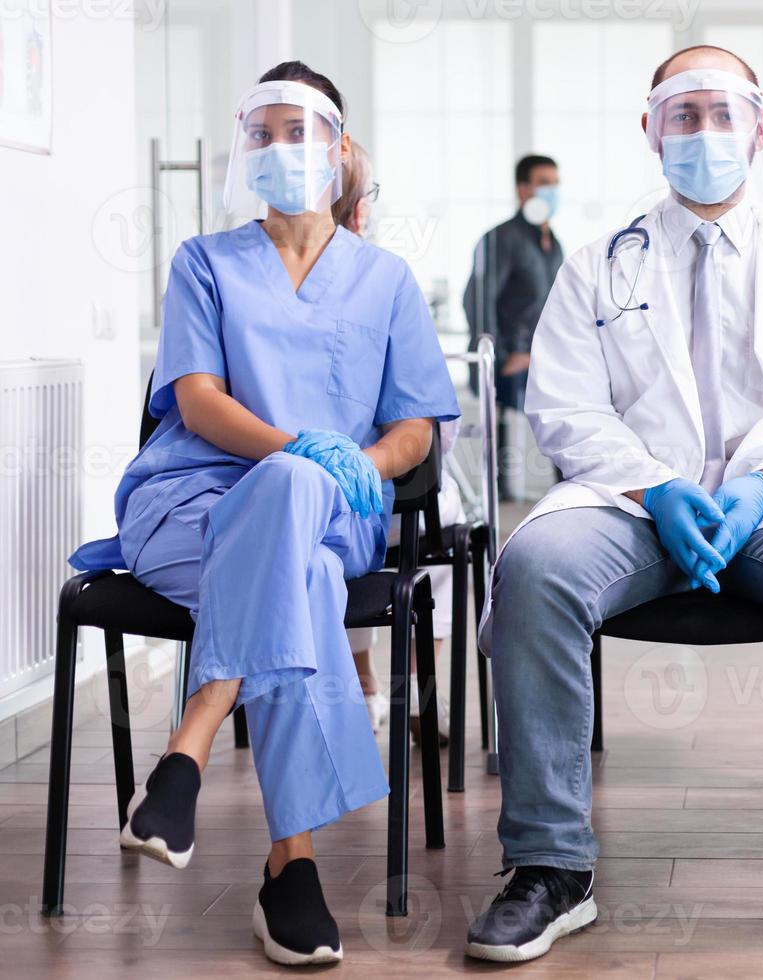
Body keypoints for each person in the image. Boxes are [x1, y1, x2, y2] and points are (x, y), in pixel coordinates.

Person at [466, 45, 763, 963]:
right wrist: (656, 485)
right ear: (650, 130)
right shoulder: (598, 265)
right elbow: (563, 405)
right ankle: (552, 867)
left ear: (761, 128)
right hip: (630, 508)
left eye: (724, 113)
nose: (705, 133)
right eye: (684, 114)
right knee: (536, 568)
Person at [68, 61, 459, 966]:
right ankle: (293, 869)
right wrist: (301, 451)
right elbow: (197, 402)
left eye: (299, 131)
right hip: (192, 506)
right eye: (262, 134)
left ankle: (190, 747)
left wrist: (350, 463)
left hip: (330, 504)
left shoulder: (386, 280)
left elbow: (414, 431)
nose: (280, 150)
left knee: (298, 514)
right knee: (305, 569)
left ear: (339, 148)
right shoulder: (204, 262)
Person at [332, 141, 460, 739]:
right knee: (429, 537)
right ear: (359, 212)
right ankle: (416, 699)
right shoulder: (387, 284)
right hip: (383, 499)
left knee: (342, 551)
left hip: (291, 495)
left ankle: (363, 689)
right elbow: (432, 431)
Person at [463, 154, 563, 498]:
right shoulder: (500, 239)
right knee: (554, 401)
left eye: (555, 183)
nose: (552, 190)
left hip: (543, 359)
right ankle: (506, 494)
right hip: (508, 362)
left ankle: (571, 491)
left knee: (580, 398)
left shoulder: (553, 244)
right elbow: (476, 299)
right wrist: (506, 355)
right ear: (523, 190)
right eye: (543, 183)